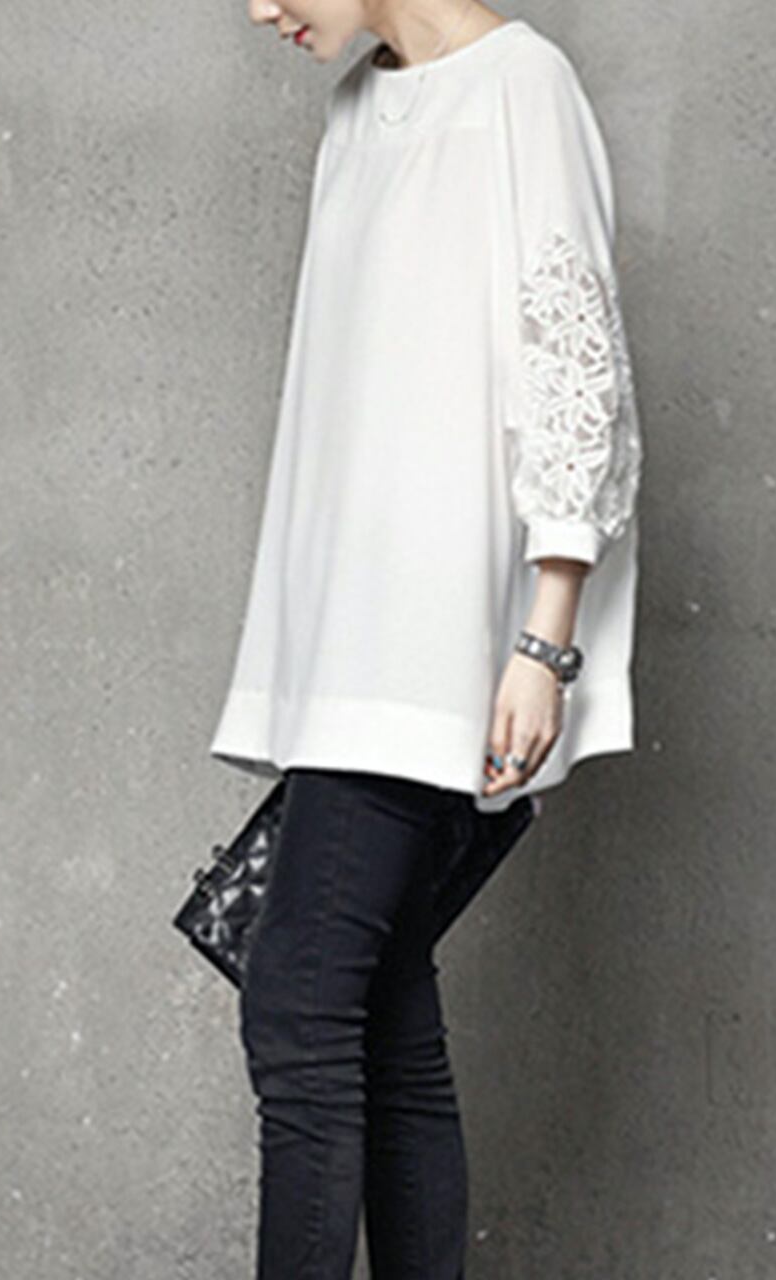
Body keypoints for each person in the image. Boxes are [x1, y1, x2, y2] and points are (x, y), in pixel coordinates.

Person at [208, 2, 644, 1275]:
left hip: (436, 644)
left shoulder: (522, 89)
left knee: (297, 1002)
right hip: (346, 646)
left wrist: (543, 641)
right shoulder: (357, 111)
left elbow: (573, 370)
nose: (261, 9)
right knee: (384, 1021)